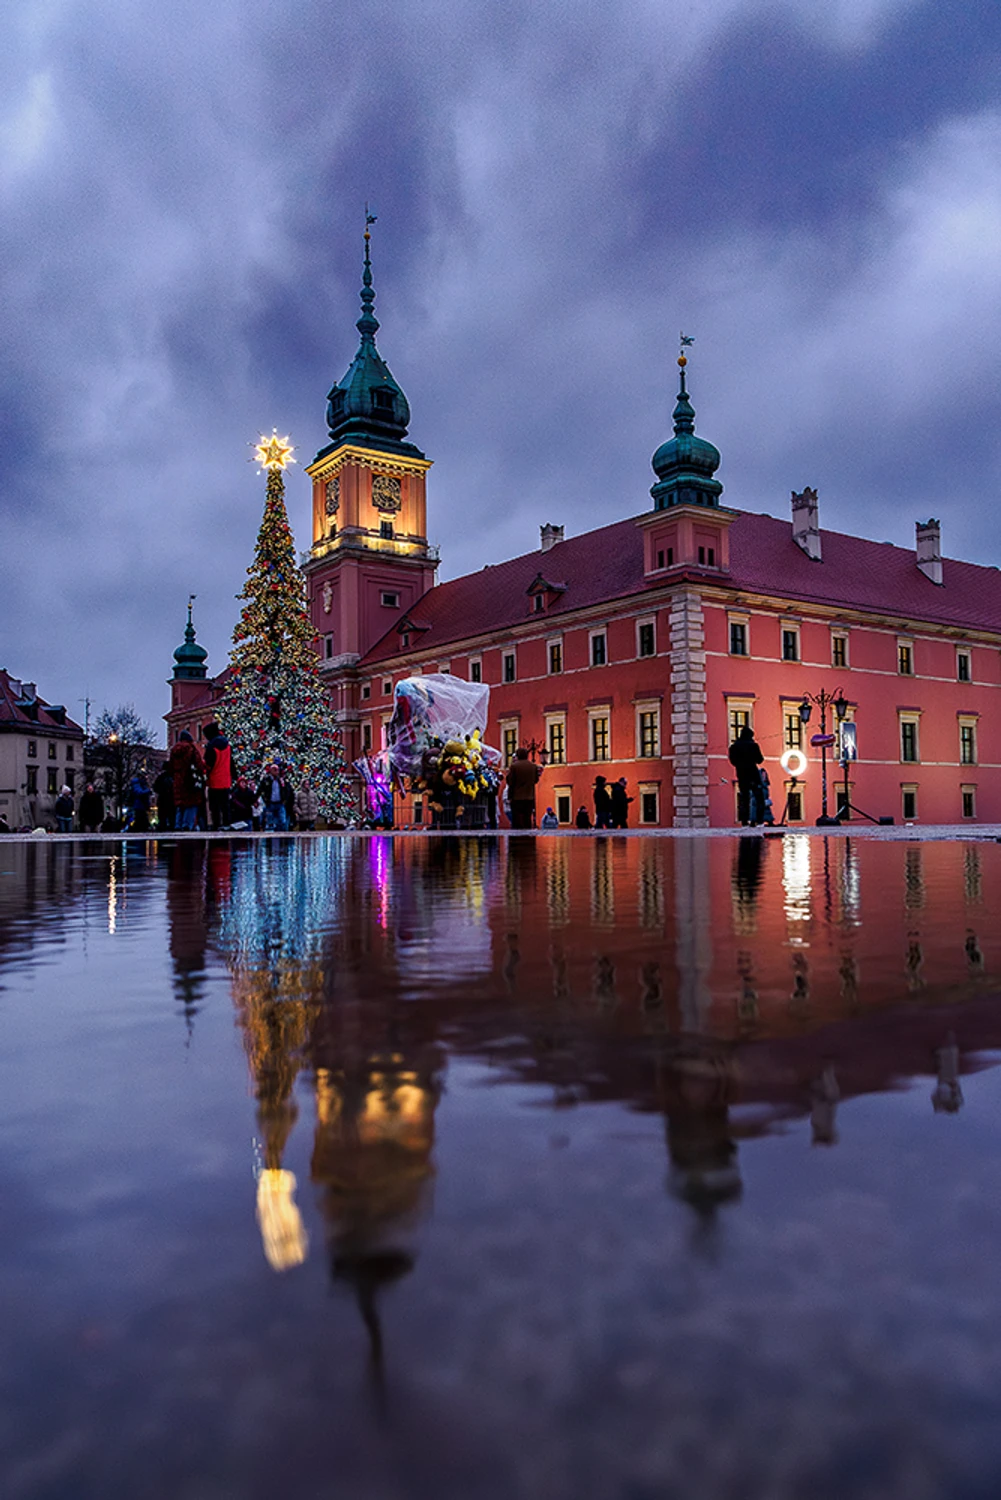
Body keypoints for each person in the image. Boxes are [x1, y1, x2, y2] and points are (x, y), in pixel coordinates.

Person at [168, 730, 207, 831]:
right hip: (190, 780)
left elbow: (170, 767)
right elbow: (198, 764)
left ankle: (177, 825)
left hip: (178, 780)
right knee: (191, 803)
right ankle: (187, 825)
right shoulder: (191, 749)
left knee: (180, 804)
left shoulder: (173, 750)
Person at [728, 724, 764, 827]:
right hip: (753, 774)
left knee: (744, 798)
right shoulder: (753, 746)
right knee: (759, 797)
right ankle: (760, 821)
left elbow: (733, 761)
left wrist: (740, 764)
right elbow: (760, 760)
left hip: (741, 774)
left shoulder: (734, 747)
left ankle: (744, 822)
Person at [203, 721, 234, 830]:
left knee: (215, 806)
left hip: (214, 780)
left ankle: (216, 825)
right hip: (226, 780)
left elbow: (208, 764)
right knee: (225, 805)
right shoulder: (228, 746)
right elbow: (231, 763)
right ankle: (227, 824)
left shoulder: (211, 746)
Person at [505, 748, 542, 830]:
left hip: (516, 797)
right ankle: (528, 836)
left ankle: (517, 839)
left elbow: (510, 781)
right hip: (529, 796)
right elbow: (536, 780)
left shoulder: (514, 766)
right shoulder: (533, 766)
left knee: (516, 819)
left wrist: (510, 796)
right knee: (527, 817)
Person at [258, 764, 291, 832]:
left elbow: (287, 790)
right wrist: (265, 799)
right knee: (270, 822)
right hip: (270, 804)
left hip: (280, 803)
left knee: (282, 821)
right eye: (274, 770)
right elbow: (260, 790)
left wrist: (285, 799)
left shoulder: (281, 780)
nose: (276, 772)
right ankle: (271, 838)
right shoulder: (266, 780)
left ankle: (281, 836)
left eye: (277, 770)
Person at [152, 766, 174, 832]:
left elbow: (155, 788)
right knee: (171, 816)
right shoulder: (172, 777)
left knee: (162, 816)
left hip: (162, 799)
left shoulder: (161, 777)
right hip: (170, 800)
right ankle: (171, 827)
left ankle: (162, 827)